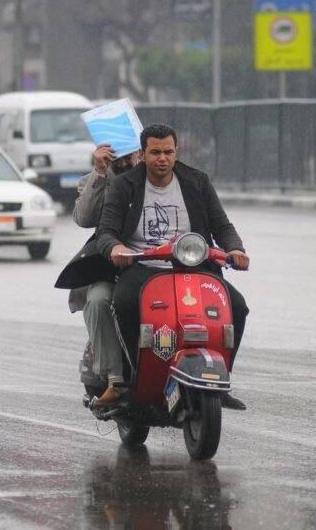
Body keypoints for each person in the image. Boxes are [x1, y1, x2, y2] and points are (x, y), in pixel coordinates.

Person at [96, 123, 250, 410]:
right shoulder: (124, 185)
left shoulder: (197, 182)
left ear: (176, 152)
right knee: (124, 303)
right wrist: (116, 248)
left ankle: (220, 380)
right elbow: (106, 231)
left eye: (168, 152)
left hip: (194, 267)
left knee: (237, 307)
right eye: (155, 152)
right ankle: (130, 379)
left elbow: (222, 225)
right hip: (143, 267)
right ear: (143, 154)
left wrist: (236, 249)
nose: (162, 158)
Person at [55, 142, 141, 402]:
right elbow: (84, 218)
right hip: (111, 267)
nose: (123, 162)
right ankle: (114, 379)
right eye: (116, 157)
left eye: (129, 155)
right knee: (98, 300)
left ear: (141, 153)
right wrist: (101, 171)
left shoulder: (157, 181)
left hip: (157, 265)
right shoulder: (95, 181)